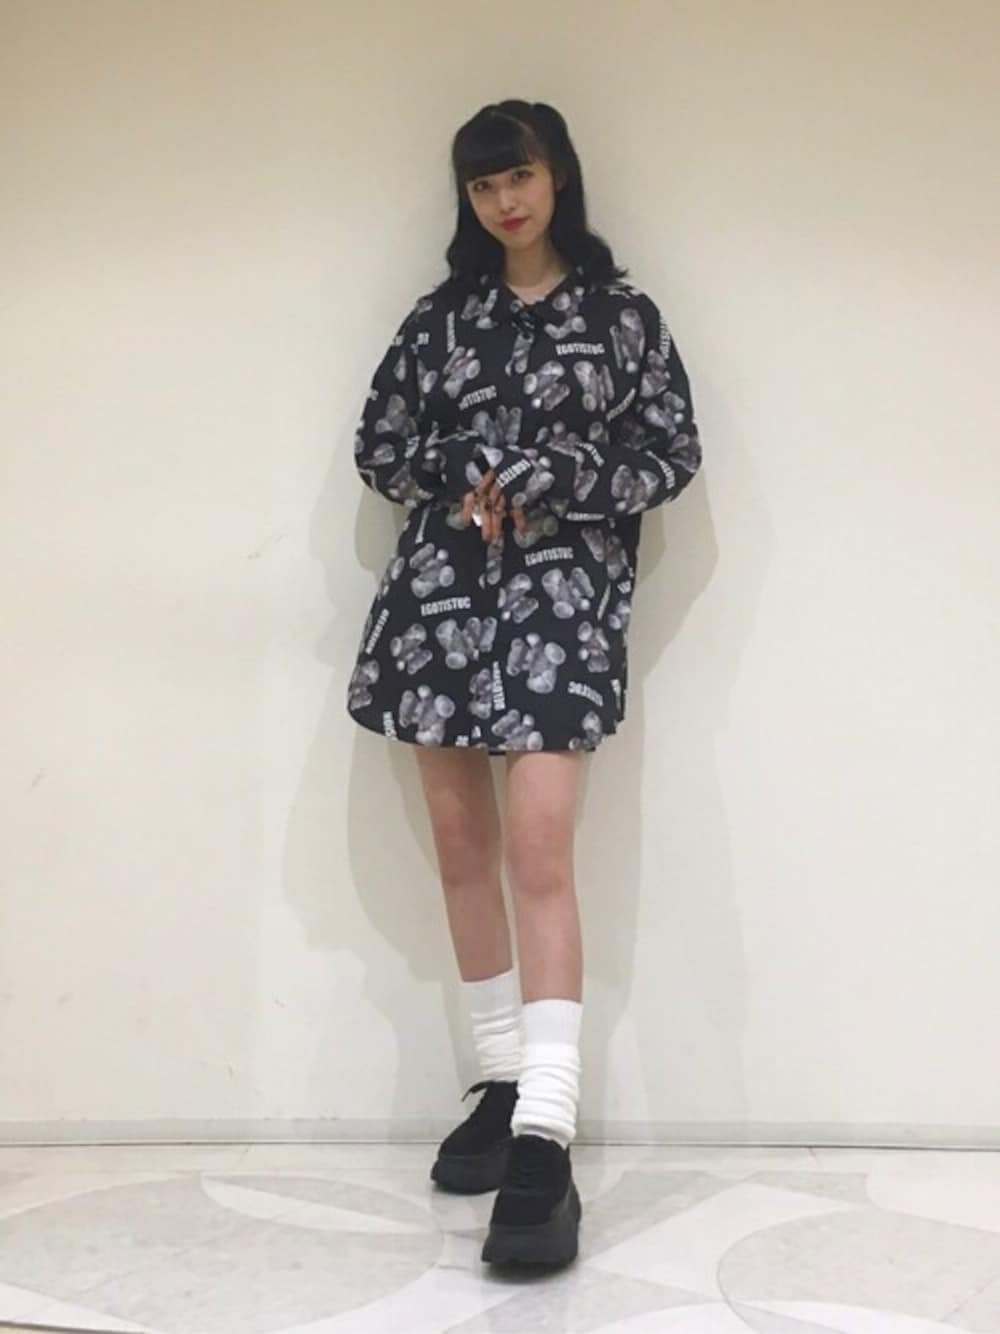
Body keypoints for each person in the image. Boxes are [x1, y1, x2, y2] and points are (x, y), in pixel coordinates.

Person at [346, 99, 702, 1268]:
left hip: (561, 603)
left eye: (522, 176)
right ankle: (499, 1082)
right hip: (441, 601)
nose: (505, 200)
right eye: (484, 183)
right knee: (462, 846)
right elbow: (380, 443)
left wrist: (556, 472)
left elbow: (670, 452)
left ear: (559, 178)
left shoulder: (622, 318)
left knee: (539, 849)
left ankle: (547, 1128)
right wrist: (465, 463)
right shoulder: (440, 318)